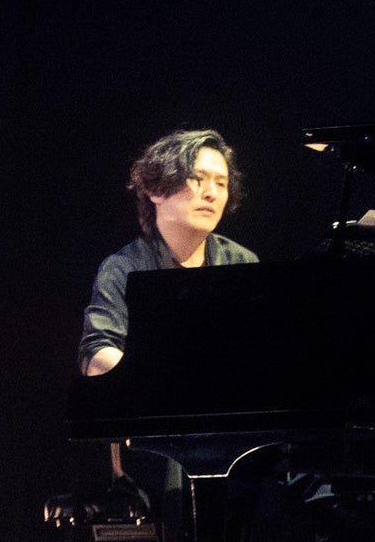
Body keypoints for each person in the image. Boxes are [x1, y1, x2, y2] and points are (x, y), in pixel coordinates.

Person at [79, 128, 256, 376]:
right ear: (156, 190)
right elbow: (98, 352)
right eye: (197, 178)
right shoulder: (123, 268)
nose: (211, 193)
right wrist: (163, 380)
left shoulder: (242, 262)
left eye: (221, 183)